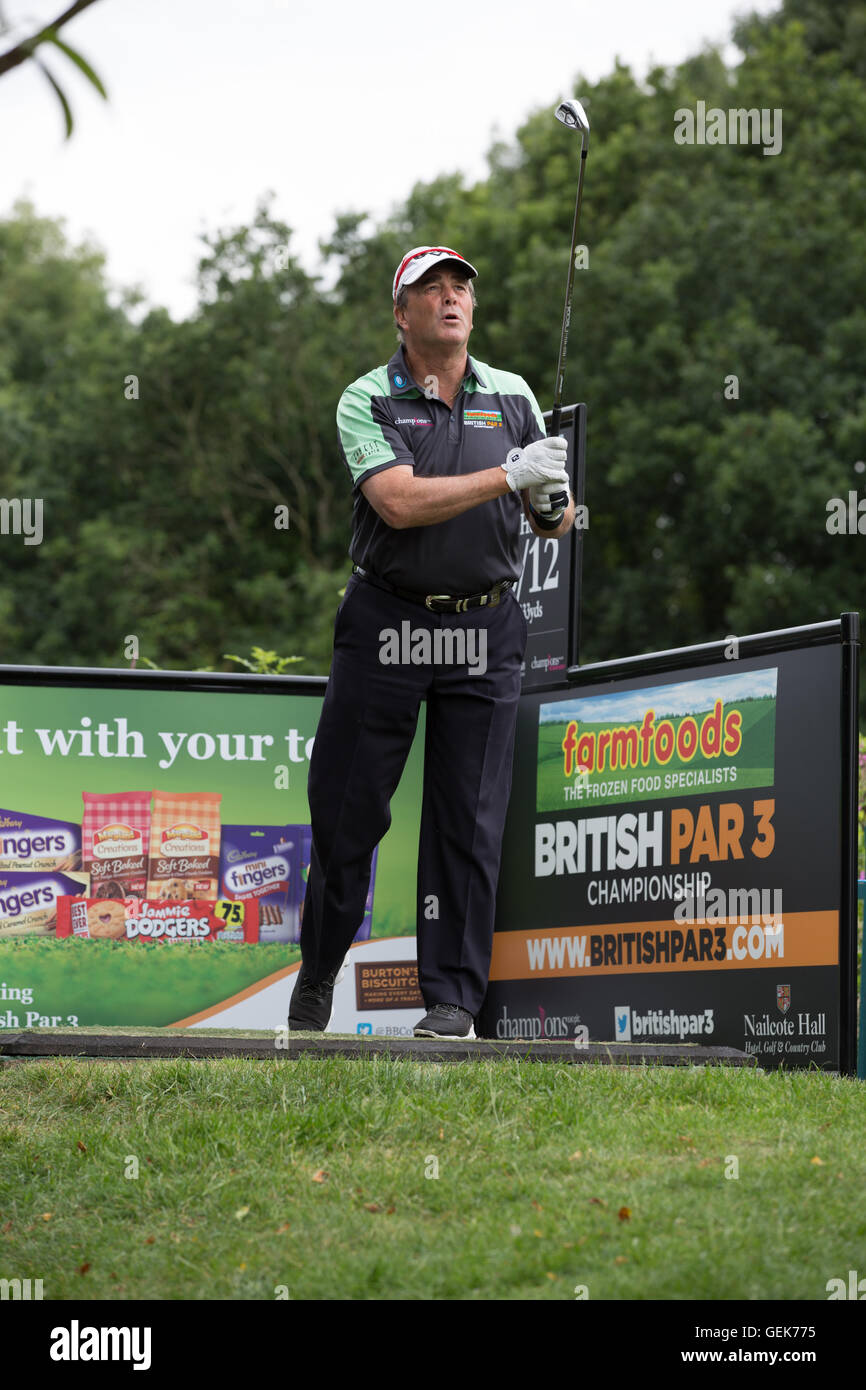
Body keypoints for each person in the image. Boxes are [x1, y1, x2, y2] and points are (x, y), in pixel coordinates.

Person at [289, 244, 575, 1039]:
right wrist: (510, 473)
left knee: (469, 819)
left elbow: (556, 515)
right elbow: (400, 503)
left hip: (486, 626)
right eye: (431, 290)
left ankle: (452, 1003)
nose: (450, 300)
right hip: (387, 623)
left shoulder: (513, 396)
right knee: (349, 815)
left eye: (460, 289)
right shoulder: (367, 398)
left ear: (472, 310)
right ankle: (317, 973)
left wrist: (549, 496)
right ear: (401, 312)